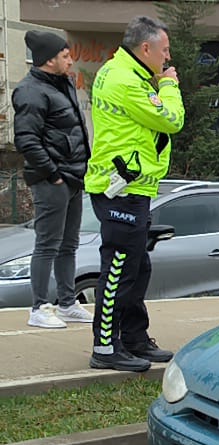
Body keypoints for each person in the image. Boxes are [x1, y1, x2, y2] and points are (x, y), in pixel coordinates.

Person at [83, 16, 184, 373]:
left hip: (131, 185)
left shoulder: (124, 73)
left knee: (138, 266)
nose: (167, 59)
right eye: (165, 51)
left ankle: (134, 338)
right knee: (120, 269)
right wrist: (169, 86)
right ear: (146, 48)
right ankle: (106, 346)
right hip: (122, 189)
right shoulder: (128, 81)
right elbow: (171, 119)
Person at [13, 30, 91, 330]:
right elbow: (27, 139)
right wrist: (53, 174)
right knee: (47, 244)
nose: (70, 60)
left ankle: (68, 303)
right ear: (48, 60)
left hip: (73, 176)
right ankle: (39, 307)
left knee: (69, 244)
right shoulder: (31, 91)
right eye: (65, 56)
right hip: (53, 180)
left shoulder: (63, 85)